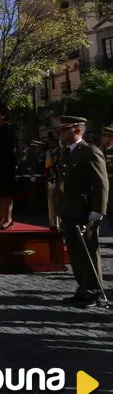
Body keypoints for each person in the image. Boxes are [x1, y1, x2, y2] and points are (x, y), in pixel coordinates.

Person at [55, 116, 108, 307]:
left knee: (89, 251)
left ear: (76, 130)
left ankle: (94, 291)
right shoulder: (66, 152)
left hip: (85, 210)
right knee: (75, 252)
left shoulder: (90, 152)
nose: (60, 133)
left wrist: (98, 210)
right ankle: (83, 287)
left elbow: (101, 183)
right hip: (69, 209)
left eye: (63, 130)